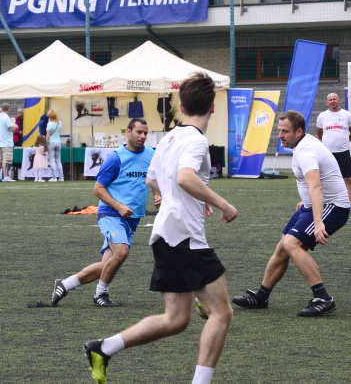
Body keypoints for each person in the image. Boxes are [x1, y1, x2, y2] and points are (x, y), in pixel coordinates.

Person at [84, 73, 237, 384]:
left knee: (176, 319)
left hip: (164, 235)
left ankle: (103, 348)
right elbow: (184, 178)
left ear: (180, 106)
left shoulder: (168, 138)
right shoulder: (196, 140)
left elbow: (154, 179)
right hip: (185, 238)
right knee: (221, 314)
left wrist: (192, 198)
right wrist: (221, 203)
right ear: (213, 106)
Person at [232, 110, 350, 318]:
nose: (281, 135)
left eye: (285, 131)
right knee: (282, 248)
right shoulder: (302, 145)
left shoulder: (305, 151)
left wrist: (318, 221)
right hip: (313, 205)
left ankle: (323, 298)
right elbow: (313, 184)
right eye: (279, 131)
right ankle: (261, 296)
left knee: (291, 244)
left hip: (333, 207)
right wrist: (305, 201)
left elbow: (316, 187)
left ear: (299, 131)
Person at [52, 118, 158, 308]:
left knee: (107, 264)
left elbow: (154, 178)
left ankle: (65, 284)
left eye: (145, 133)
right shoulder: (116, 158)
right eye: (139, 132)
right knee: (122, 252)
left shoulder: (151, 154)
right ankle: (101, 294)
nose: (143, 136)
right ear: (128, 132)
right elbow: (98, 188)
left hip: (132, 218)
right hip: (111, 213)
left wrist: (158, 194)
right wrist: (118, 206)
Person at [316, 93, 351, 219]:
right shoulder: (322, 116)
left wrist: (341, 141)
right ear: (327, 102)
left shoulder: (347, 115)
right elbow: (320, 134)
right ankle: (322, 208)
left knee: (349, 180)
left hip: (343, 152)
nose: (332, 101)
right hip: (327, 154)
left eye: (334, 99)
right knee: (324, 180)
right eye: (330, 100)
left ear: (339, 101)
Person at [0, 103, 18, 182]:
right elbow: (11, 128)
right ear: (9, 109)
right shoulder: (6, 117)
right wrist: (15, 125)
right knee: (6, 159)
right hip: (6, 142)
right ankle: (6, 176)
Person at [46, 109, 64, 182]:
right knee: (58, 160)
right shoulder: (60, 123)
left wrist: (45, 143)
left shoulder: (49, 124)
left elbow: (48, 135)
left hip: (51, 142)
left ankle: (54, 177)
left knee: (52, 160)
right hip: (58, 142)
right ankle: (61, 177)